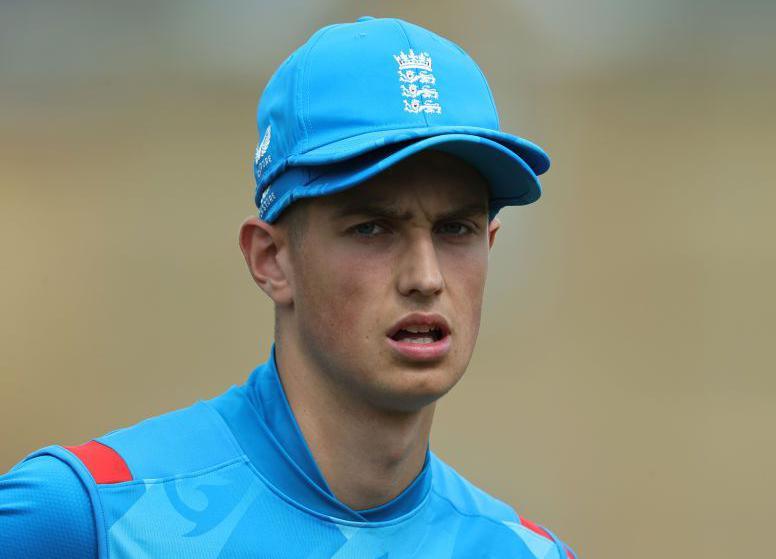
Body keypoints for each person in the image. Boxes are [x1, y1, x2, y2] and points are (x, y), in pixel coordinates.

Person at [0, 16, 577, 559]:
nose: (425, 278)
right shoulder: (90, 516)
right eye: (371, 228)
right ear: (271, 259)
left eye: (456, 229)